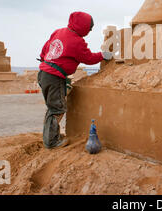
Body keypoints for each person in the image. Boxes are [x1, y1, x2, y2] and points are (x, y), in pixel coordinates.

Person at [38, 11, 113, 149]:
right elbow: (88, 58)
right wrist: (102, 55)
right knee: (57, 109)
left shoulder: (58, 32)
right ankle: (52, 142)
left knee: (52, 107)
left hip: (44, 73)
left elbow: (45, 49)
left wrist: (47, 62)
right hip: (54, 77)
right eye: (89, 28)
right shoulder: (77, 41)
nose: (90, 31)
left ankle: (50, 136)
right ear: (83, 26)